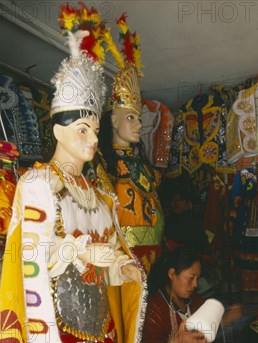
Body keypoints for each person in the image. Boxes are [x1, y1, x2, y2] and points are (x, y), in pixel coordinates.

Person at [0, 24, 145, 343]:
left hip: (94, 311)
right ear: (57, 129)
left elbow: (114, 248)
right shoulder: (38, 185)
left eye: (94, 130)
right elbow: (31, 254)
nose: (92, 139)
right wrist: (78, 252)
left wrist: (123, 267)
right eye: (83, 130)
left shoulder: (97, 194)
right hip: (55, 318)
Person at [97, 15, 164, 274]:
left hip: (154, 256)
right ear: (113, 120)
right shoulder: (101, 163)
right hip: (121, 259)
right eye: (130, 117)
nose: (138, 124)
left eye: (138, 118)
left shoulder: (141, 163)